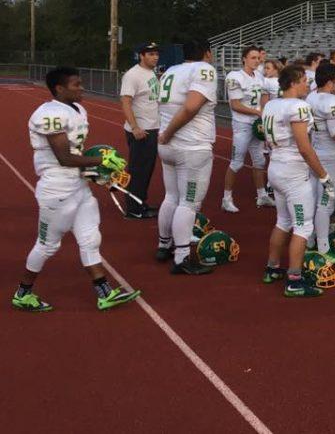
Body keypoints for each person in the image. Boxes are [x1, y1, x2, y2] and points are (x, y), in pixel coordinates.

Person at [12, 67, 141, 312]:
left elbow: (78, 154)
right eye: (76, 85)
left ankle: (104, 292)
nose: (81, 88)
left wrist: (94, 172)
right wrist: (101, 162)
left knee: (90, 238)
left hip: (78, 185)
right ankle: (23, 292)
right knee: (47, 245)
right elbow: (64, 157)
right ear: (60, 89)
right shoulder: (49, 114)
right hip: (57, 187)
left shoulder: (78, 109)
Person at [260, 64, 335, 297]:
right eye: (304, 80)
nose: (308, 84)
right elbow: (304, 148)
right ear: (293, 82)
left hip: (276, 165)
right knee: (303, 226)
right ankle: (294, 279)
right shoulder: (298, 106)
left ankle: (272, 268)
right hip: (293, 171)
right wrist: (324, 175)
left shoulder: (271, 104)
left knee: (283, 220)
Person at [156, 40, 219, 274]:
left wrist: (165, 133)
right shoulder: (204, 69)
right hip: (191, 146)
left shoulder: (171, 70)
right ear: (207, 54)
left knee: (171, 196)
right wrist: (170, 131)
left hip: (169, 145)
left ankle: (164, 245)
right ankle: (182, 257)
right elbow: (191, 107)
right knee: (188, 202)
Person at [306, 62, 335, 263]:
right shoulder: (332, 102)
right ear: (332, 81)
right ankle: (323, 247)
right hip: (330, 159)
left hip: (316, 154)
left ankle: (310, 240)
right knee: (326, 203)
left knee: (315, 200)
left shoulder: (311, 96)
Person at [222, 46, 272, 213]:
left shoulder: (259, 75)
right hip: (242, 124)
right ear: (244, 58)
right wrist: (258, 112)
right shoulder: (235, 76)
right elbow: (235, 105)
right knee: (236, 162)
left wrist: (263, 112)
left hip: (256, 123)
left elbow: (265, 95)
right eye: (252, 57)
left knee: (259, 161)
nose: (256, 60)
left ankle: (262, 194)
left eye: (258, 58)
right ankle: (226, 198)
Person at [119, 41, 161, 219]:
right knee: (138, 171)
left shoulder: (151, 72)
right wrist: (135, 127)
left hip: (152, 128)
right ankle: (133, 209)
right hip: (141, 131)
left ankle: (140, 203)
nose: (155, 57)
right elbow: (126, 101)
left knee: (147, 169)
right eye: (150, 54)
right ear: (141, 56)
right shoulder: (132, 75)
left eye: (156, 54)